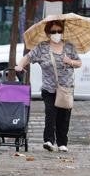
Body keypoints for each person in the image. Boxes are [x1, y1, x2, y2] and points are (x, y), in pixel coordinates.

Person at [14, 20, 81, 152]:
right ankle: (49, 140)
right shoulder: (42, 48)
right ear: (48, 33)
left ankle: (62, 143)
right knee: (50, 114)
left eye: (59, 31)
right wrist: (20, 65)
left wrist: (70, 61)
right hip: (49, 88)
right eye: (53, 31)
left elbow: (79, 63)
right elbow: (28, 57)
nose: (56, 34)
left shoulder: (69, 47)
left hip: (65, 88)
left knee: (64, 116)